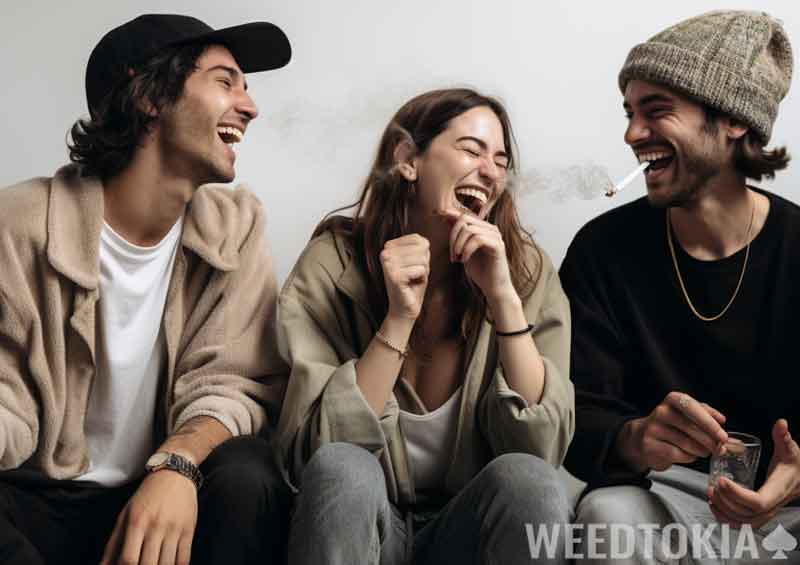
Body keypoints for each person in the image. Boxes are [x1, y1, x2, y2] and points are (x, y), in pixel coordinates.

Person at [0, 14, 292, 565]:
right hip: (35, 499)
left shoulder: (236, 228)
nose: (250, 108)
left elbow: (235, 384)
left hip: (161, 497)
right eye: (225, 81)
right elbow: (5, 388)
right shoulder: (18, 225)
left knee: (248, 473)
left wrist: (176, 464)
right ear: (149, 97)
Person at [275, 88, 574, 564]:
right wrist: (399, 318)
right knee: (343, 466)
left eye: (500, 160)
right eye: (471, 150)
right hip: (365, 525)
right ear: (408, 159)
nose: (491, 171)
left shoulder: (526, 273)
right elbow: (314, 455)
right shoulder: (332, 265)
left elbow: (542, 452)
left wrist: (503, 301)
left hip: (468, 530)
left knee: (528, 478)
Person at [560, 10, 800, 563]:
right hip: (662, 498)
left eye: (656, 111)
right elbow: (576, 409)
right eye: (629, 113)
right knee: (606, 518)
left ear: (734, 121)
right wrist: (633, 437)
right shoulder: (603, 251)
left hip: (787, 508)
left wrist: (792, 477)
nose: (632, 134)